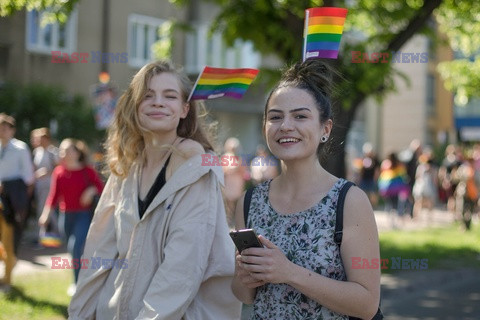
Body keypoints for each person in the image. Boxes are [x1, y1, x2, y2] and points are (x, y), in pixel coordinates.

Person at [68, 60, 241, 319]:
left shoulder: (198, 170)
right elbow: (99, 251)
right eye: (147, 96)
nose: (158, 102)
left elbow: (181, 270)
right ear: (136, 107)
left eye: (169, 96)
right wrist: (79, 315)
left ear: (184, 109)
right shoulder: (125, 169)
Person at [231, 60, 380, 319]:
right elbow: (244, 295)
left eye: (300, 116)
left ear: (325, 128)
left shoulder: (348, 201)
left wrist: (289, 272)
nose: (286, 125)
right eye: (275, 117)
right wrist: (246, 276)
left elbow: (367, 304)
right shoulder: (249, 200)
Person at [39, 138, 104, 294]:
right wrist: (45, 214)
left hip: (84, 215)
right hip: (66, 216)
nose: (64, 154)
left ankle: (77, 284)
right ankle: (81, 278)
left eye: (67, 150)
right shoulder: (59, 172)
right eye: (62, 151)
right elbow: (53, 196)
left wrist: (91, 191)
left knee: (75, 247)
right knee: (72, 249)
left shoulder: (88, 171)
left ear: (77, 153)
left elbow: (102, 190)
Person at [0, 113, 35, 255]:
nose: (1, 132)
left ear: (12, 130)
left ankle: (9, 267)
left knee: (10, 230)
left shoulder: (20, 148)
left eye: (4, 128)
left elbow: (28, 175)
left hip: (13, 195)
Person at [31, 127, 60, 244]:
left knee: (47, 211)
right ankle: (45, 236)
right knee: (44, 210)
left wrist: (46, 173)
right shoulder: (36, 152)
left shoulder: (53, 152)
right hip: (39, 186)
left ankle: (45, 236)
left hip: (50, 185)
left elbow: (58, 169)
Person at [222, 137, 249, 227]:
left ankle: (236, 222)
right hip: (228, 183)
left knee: (238, 203)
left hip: (237, 183)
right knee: (229, 203)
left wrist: (238, 169)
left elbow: (244, 171)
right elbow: (222, 171)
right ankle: (228, 221)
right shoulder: (225, 157)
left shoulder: (240, 158)